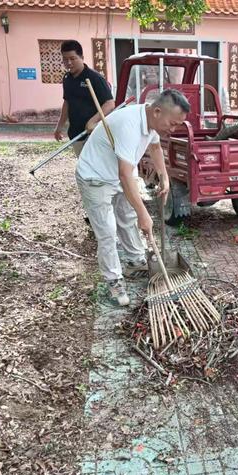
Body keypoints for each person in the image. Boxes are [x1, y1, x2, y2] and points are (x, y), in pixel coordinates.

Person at [76, 89, 190, 306]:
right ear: (157, 111)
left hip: (118, 174)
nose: (173, 129)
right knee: (107, 232)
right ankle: (114, 282)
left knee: (127, 217)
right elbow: (125, 174)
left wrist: (164, 177)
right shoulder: (129, 126)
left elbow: (155, 147)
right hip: (95, 176)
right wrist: (144, 215)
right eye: (173, 123)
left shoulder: (151, 122)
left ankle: (135, 261)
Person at [54, 40, 115, 156]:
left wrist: (92, 121)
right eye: (65, 59)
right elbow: (67, 102)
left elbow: (110, 103)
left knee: (94, 168)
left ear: (82, 57)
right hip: (76, 133)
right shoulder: (67, 78)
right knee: (83, 165)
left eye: (73, 58)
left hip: (93, 134)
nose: (69, 63)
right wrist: (59, 126)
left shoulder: (95, 78)